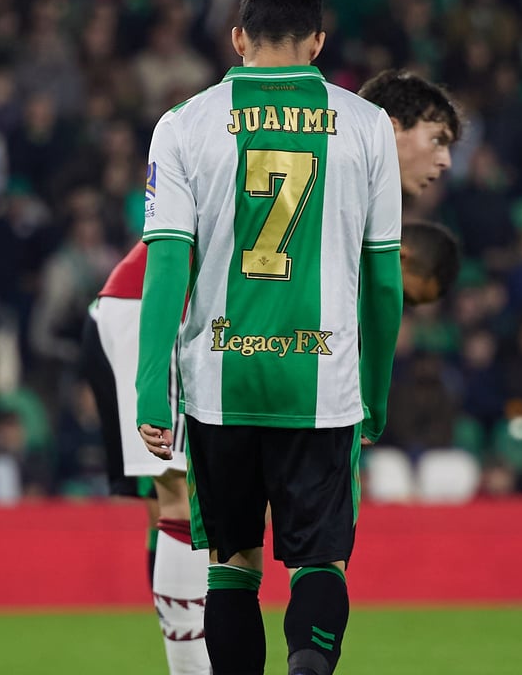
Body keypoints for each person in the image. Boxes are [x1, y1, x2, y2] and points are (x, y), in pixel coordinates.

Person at [83, 70, 459, 675]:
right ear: (390, 127)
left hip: (204, 341)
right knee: (181, 502)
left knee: (190, 518)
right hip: (158, 318)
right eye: (436, 138)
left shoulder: (317, 156)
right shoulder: (342, 158)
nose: (444, 161)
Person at [134, 0, 402, 675]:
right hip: (322, 380)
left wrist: (150, 391)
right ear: (317, 42)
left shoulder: (183, 125)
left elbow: (166, 266)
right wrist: (376, 391)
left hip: (222, 382)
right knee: (320, 560)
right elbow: (383, 277)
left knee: (232, 563)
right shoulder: (367, 125)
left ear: (237, 38)